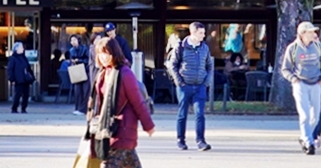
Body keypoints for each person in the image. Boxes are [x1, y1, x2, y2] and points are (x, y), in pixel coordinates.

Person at [86, 36, 155, 167]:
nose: (103, 57)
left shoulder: (125, 74)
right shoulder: (102, 74)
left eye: (106, 53)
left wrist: (148, 125)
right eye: (100, 54)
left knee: (108, 164)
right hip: (107, 129)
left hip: (122, 129)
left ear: (114, 53)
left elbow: (138, 102)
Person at [280, 21, 321, 155]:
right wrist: (294, 79)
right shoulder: (293, 48)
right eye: (311, 32)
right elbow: (285, 69)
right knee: (304, 115)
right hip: (300, 84)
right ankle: (309, 142)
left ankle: (303, 137)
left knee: (316, 116)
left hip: (316, 84)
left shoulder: (318, 46)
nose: (314, 34)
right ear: (302, 34)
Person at [166, 21, 213, 151]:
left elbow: (209, 65)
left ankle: (201, 141)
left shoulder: (204, 48)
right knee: (182, 114)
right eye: (201, 33)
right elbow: (172, 65)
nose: (203, 36)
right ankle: (181, 140)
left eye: (203, 33)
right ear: (193, 33)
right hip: (184, 85)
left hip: (200, 86)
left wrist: (206, 82)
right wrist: (179, 82)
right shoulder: (180, 47)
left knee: (200, 114)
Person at [7, 42, 35, 113]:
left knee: (26, 95)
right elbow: (10, 69)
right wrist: (11, 79)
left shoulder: (24, 57)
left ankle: (24, 108)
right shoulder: (13, 58)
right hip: (18, 79)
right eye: (21, 47)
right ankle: (14, 108)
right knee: (17, 95)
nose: (23, 49)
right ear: (17, 49)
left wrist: (31, 77)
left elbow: (28, 68)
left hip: (25, 79)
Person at [67, 34, 91, 114]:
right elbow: (70, 60)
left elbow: (88, 60)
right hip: (76, 71)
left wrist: (79, 61)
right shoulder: (71, 50)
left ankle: (84, 109)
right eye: (71, 41)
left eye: (74, 40)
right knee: (77, 91)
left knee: (85, 91)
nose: (73, 42)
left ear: (78, 40)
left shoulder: (84, 49)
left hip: (85, 71)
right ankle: (77, 108)